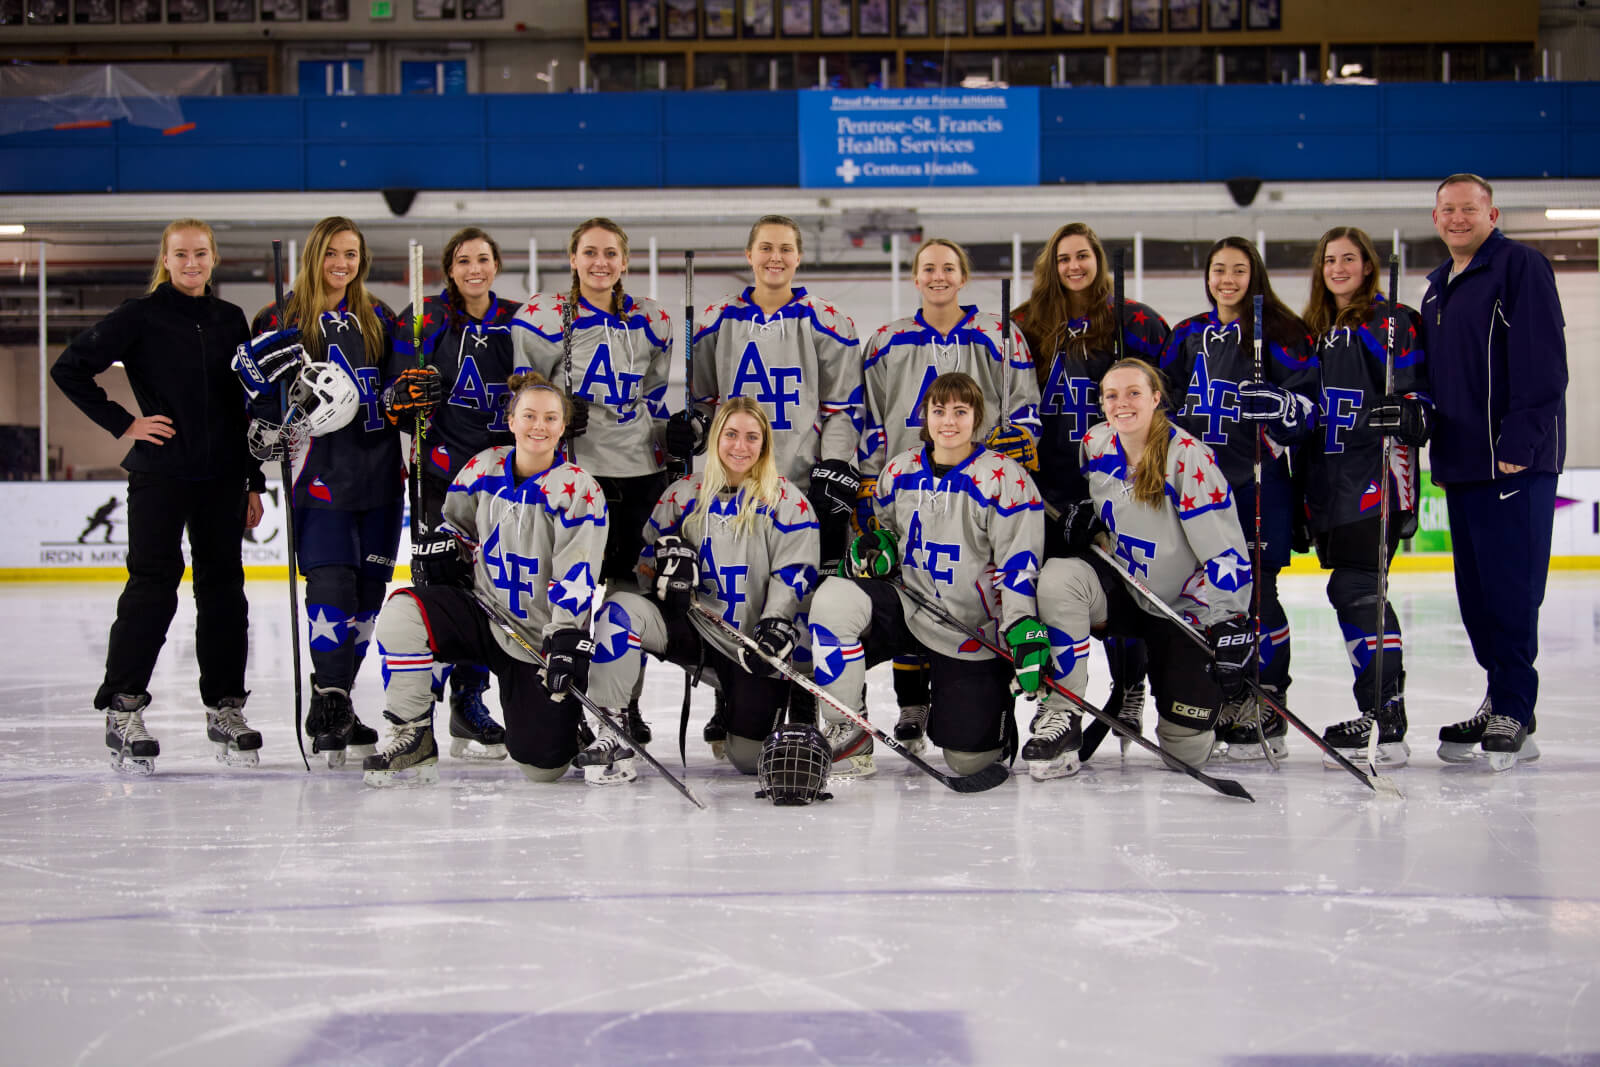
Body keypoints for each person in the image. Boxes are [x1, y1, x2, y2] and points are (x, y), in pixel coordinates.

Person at [51, 218, 262, 774]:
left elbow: (242, 406)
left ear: (213, 258)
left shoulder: (229, 319)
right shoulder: (139, 315)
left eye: (200, 253)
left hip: (221, 478)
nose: (191, 262)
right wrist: (124, 423)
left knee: (224, 592)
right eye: (180, 254)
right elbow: (69, 368)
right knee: (152, 586)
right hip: (162, 473)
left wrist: (253, 480)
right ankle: (123, 706)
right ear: (165, 260)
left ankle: (226, 707)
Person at [365, 371, 614, 787]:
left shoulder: (578, 490)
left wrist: (564, 636)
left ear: (563, 426)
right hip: (483, 611)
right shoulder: (483, 466)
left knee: (543, 767)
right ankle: (413, 732)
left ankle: (565, 726)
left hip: (535, 637)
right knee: (402, 613)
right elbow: (457, 526)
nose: (539, 426)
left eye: (551, 418)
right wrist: (445, 548)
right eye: (529, 415)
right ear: (511, 420)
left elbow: (577, 574)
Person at [673, 214, 862, 750]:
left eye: (785, 248)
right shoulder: (716, 319)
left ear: (798, 257)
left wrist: (836, 465)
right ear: (750, 255)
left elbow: (842, 406)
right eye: (765, 248)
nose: (775, 257)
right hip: (736, 477)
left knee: (803, 594)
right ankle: (725, 693)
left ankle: (801, 701)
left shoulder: (828, 320)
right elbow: (705, 403)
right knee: (731, 586)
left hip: (799, 478)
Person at [808, 372, 1045, 780]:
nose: (948, 421)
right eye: (939, 411)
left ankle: (976, 713)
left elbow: (1018, 563)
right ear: (926, 415)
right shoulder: (900, 470)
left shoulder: (1006, 479)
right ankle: (848, 728)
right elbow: (887, 534)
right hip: (910, 606)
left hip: (970, 628)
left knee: (969, 761)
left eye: (960, 411)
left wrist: (1021, 622)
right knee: (833, 600)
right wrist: (877, 548)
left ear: (977, 418)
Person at [857, 238, 1041, 752]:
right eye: (928, 268)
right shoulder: (886, 341)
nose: (938, 275)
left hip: (975, 487)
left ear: (964, 276)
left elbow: (1025, 406)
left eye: (949, 267)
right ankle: (912, 703)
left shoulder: (998, 334)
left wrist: (1020, 439)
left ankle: (983, 691)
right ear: (916, 278)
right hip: (906, 485)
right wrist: (871, 478)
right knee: (909, 582)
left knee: (964, 586)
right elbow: (870, 418)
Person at [233, 215, 401, 766]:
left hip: (380, 475)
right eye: (332, 253)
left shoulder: (379, 316)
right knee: (331, 586)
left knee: (368, 599)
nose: (342, 264)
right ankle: (328, 701)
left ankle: (341, 698)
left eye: (351, 254)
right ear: (313, 256)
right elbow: (255, 409)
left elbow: (401, 389)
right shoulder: (278, 318)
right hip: (317, 475)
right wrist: (257, 458)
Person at [1035, 358, 1256, 772]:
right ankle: (1064, 712)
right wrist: (1088, 517)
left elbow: (1224, 550)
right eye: (1112, 395)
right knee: (1060, 578)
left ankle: (1207, 707)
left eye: (1134, 393)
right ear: (1101, 403)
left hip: (1179, 606)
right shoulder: (1096, 443)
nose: (1123, 403)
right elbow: (1108, 502)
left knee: (1184, 755)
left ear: (1156, 398)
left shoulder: (1188, 458)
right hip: (1122, 585)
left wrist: (1230, 620)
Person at [587, 398, 820, 774]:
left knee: (748, 760)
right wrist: (666, 564)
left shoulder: (787, 502)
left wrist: (775, 623)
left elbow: (795, 575)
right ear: (715, 438)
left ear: (765, 444)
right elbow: (644, 565)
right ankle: (613, 726)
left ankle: (759, 706)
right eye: (730, 435)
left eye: (751, 437)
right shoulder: (681, 495)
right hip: (694, 627)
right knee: (621, 609)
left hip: (751, 642)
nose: (739, 447)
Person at [1424, 174, 1567, 770]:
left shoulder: (1519, 267)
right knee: (1477, 597)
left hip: (1511, 462)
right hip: (1462, 464)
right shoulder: (1437, 288)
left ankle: (1514, 704)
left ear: (1492, 213)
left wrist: (1521, 441)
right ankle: (1500, 696)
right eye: (1448, 210)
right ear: (1435, 219)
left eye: (1469, 209)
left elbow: (1543, 364)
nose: (1458, 219)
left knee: (1510, 591)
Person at [511, 217, 671, 746]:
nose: (600, 262)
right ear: (573, 258)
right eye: (589, 253)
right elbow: (522, 386)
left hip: (640, 472)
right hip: (578, 473)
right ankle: (568, 698)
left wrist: (675, 433)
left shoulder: (652, 320)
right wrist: (554, 401)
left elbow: (655, 393)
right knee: (571, 590)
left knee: (628, 594)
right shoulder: (544, 315)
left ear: (624, 262)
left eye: (611, 254)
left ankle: (621, 701)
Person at [1160, 237, 1317, 761]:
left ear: (1256, 275)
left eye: (1239, 270)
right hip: (1199, 485)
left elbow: (1309, 406)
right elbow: (1164, 396)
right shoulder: (1186, 334)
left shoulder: (1281, 332)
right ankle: (1229, 695)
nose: (1227, 279)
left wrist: (1282, 405)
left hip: (1258, 478)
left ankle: (1267, 698)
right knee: (1214, 593)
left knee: (1259, 589)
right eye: (1218, 269)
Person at [1014, 221, 1168, 754]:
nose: (1074, 267)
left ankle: (1130, 687)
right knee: (1054, 589)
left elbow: (1164, 394)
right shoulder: (1028, 322)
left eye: (1083, 256)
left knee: (1123, 585)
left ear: (1098, 260)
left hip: (1114, 476)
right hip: (1048, 477)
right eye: (1063, 259)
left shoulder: (1137, 320)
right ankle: (1060, 695)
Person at [387, 226, 521, 762]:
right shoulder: (424, 319)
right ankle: (417, 707)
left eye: (483, 259)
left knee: (490, 590)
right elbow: (390, 398)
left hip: (502, 480)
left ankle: (470, 700)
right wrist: (405, 394)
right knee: (437, 589)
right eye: (463, 260)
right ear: (449, 268)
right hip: (438, 478)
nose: (474, 269)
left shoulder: (518, 317)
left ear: (496, 264)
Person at [1301, 226, 1431, 766]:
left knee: (1359, 587)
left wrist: (1410, 407)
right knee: (1350, 588)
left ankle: (1385, 711)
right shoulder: (1313, 328)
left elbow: (1421, 390)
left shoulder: (1392, 321)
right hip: (1326, 479)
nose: (1338, 268)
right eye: (1330, 259)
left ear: (1368, 264)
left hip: (1377, 471)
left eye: (1349, 258)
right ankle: (1380, 706)